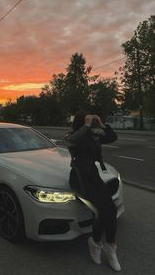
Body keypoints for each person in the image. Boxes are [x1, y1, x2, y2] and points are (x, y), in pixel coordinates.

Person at [65, 110, 121, 272]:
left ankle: (110, 248)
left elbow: (112, 137)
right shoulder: (71, 135)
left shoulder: (94, 135)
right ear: (81, 123)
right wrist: (87, 125)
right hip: (79, 178)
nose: (90, 125)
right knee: (102, 211)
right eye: (87, 122)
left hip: (93, 176)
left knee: (111, 208)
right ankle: (96, 243)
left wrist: (102, 124)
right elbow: (75, 140)